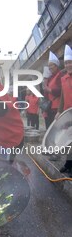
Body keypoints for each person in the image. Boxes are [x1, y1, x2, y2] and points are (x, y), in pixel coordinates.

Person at [56, 45, 72, 177]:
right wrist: (58, 111)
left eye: (70, 62)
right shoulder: (63, 78)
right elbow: (62, 96)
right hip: (67, 114)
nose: (68, 65)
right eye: (66, 62)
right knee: (68, 140)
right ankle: (68, 164)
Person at [44, 51, 64, 127]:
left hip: (57, 108)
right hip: (50, 108)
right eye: (48, 66)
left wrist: (49, 90)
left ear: (56, 65)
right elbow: (46, 94)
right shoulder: (51, 77)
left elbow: (61, 90)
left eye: (51, 65)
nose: (49, 67)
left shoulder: (60, 75)